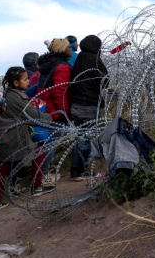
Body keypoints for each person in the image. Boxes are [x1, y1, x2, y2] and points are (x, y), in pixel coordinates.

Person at [0, 67, 53, 206]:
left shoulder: (11, 94)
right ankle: (36, 187)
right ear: (16, 83)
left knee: (4, 166)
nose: (28, 82)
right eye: (25, 79)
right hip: (10, 136)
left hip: (7, 135)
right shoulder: (16, 98)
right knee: (38, 152)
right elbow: (31, 115)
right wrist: (51, 117)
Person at [69, 35, 108, 180]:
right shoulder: (94, 60)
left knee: (80, 137)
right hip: (90, 104)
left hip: (77, 104)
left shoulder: (79, 59)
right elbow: (105, 81)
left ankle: (76, 170)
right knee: (89, 138)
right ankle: (83, 170)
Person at [37, 39, 73, 177]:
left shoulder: (47, 65)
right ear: (62, 49)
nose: (70, 49)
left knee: (46, 143)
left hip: (45, 108)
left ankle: (41, 173)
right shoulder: (62, 67)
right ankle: (42, 176)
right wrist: (65, 112)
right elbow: (60, 92)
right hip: (56, 111)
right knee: (50, 144)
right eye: (68, 47)